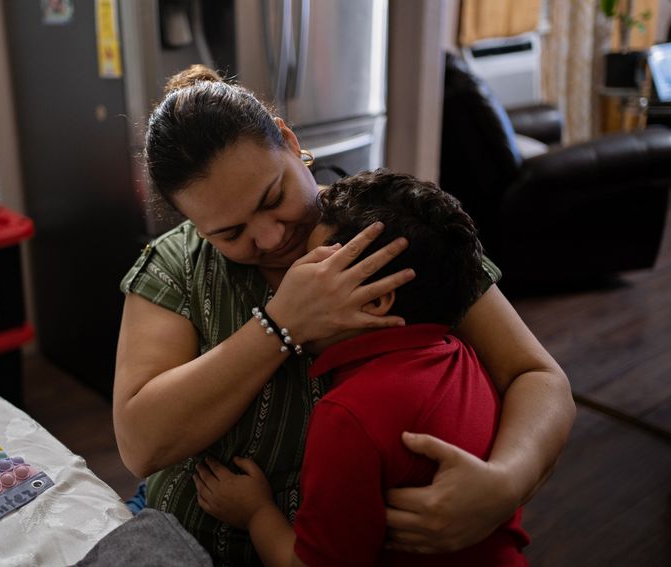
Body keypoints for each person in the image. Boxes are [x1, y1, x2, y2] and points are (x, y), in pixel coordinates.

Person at [114, 64, 574, 566]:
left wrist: (506, 481)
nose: (270, 238)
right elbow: (140, 445)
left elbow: (538, 375)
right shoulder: (178, 264)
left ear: (289, 142)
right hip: (196, 542)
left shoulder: (387, 227)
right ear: (196, 228)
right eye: (229, 233)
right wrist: (278, 325)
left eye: (274, 198)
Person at [193, 169, 531, 566]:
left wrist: (255, 513)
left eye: (314, 269)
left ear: (375, 301)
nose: (293, 283)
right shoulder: (465, 355)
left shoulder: (348, 416)